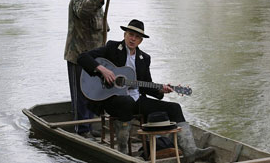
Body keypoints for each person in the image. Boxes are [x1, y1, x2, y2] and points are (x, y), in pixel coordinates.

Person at [78, 19, 214, 160]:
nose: (133, 39)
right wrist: (102, 69)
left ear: (141, 41)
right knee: (126, 102)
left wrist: (161, 90)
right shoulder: (112, 47)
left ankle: (191, 152)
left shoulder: (144, 58)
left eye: (137, 37)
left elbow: (146, 84)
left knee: (174, 108)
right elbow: (82, 57)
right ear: (125, 34)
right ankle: (122, 152)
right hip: (111, 100)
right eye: (131, 34)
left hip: (137, 101)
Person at [66, 0, 112, 136]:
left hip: (94, 60)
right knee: (81, 95)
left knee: (93, 93)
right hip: (78, 57)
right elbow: (83, 11)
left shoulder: (98, 2)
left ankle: (91, 128)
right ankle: (82, 129)